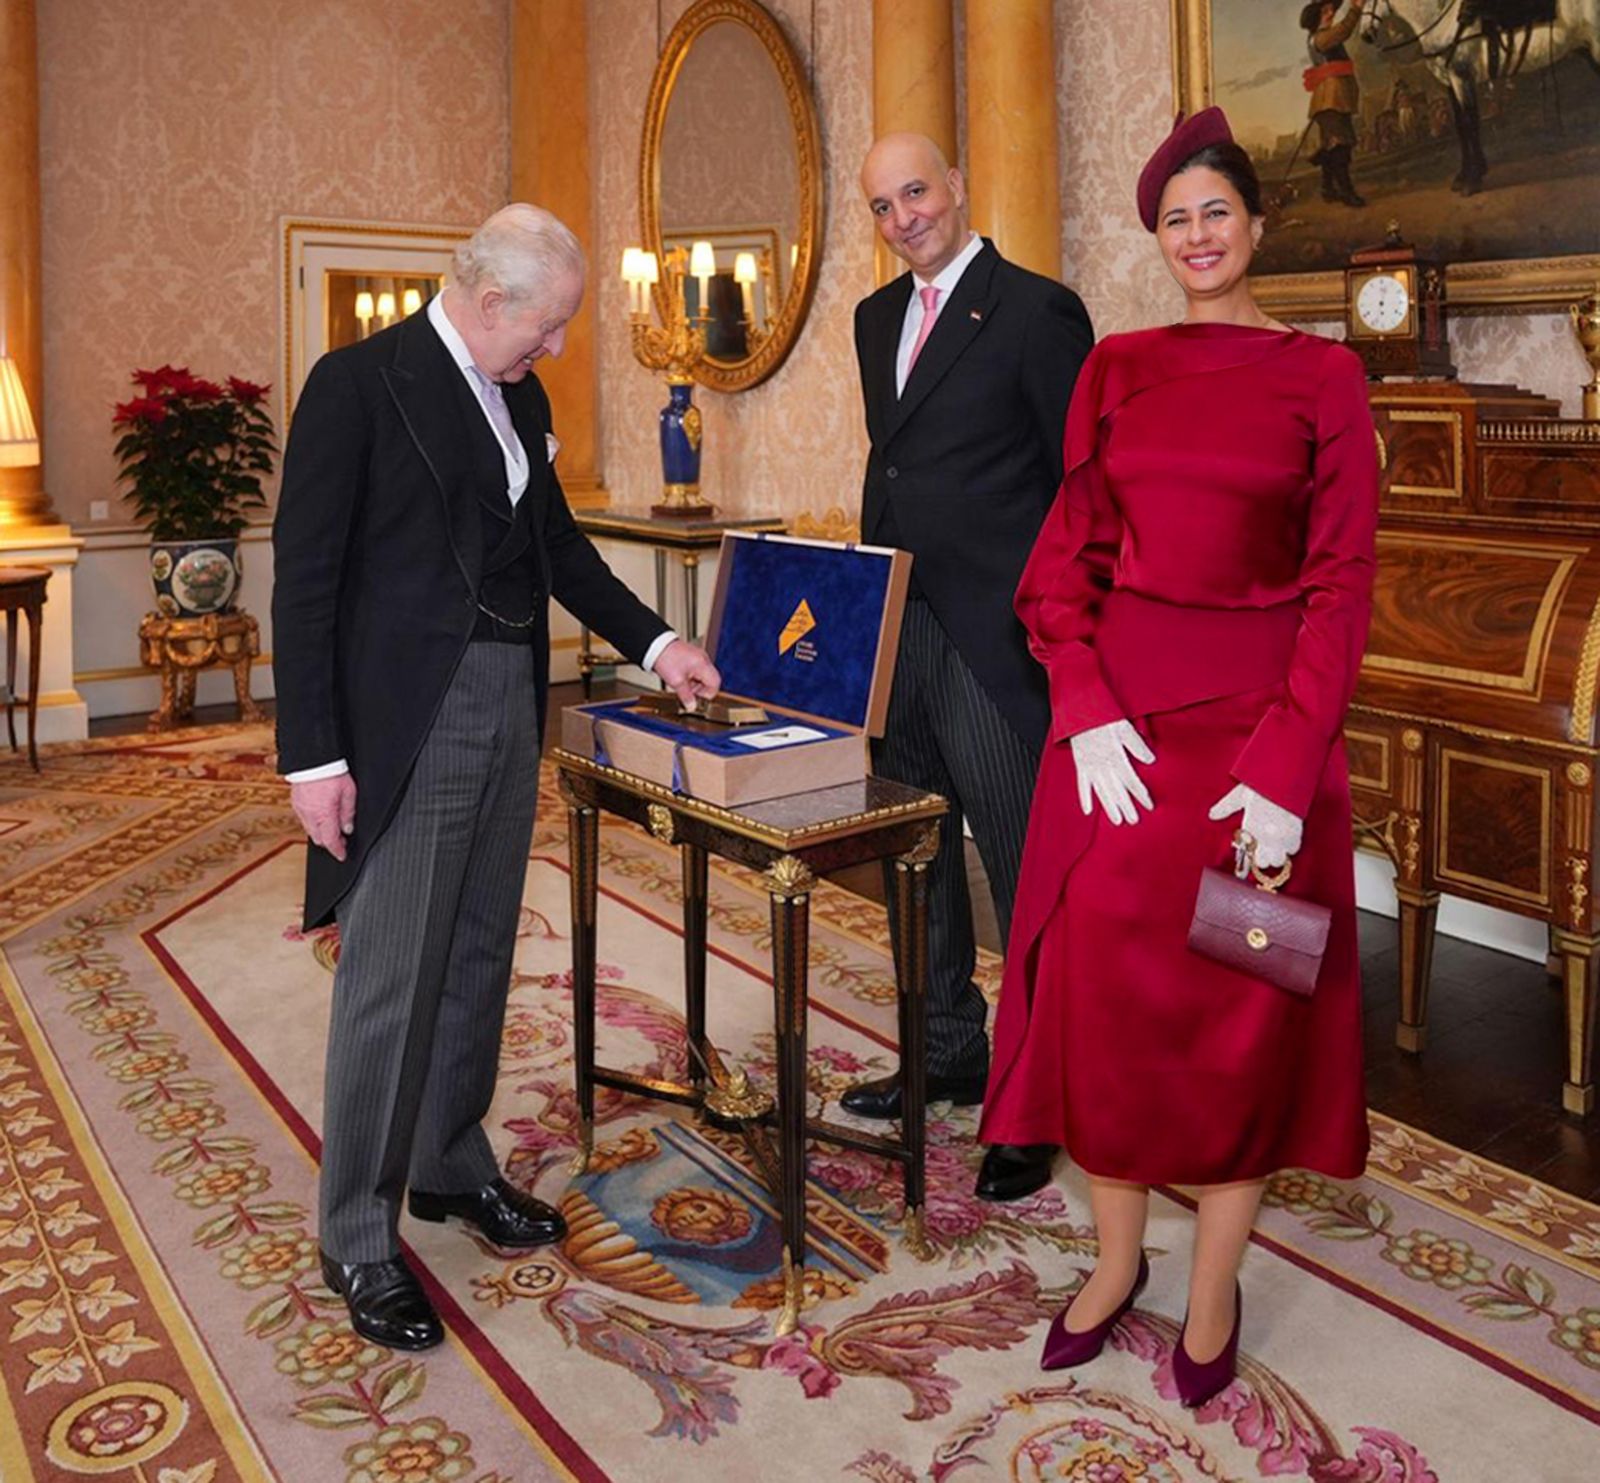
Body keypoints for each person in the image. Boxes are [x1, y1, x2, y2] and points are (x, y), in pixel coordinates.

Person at [978, 109, 1376, 1406]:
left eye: (1216, 211)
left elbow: (1341, 586)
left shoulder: (1325, 378)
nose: (1197, 235)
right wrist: (1085, 702)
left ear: (1256, 224)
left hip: (1265, 753)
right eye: (1174, 218)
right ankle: (1114, 1261)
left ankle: (1214, 1284)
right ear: (1157, 239)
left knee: (1242, 1014)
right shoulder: (1118, 367)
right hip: (1121, 751)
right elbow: (1066, 561)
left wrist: (1288, 763)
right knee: (1103, 1008)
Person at [273, 204, 720, 1351]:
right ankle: (356, 1233)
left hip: (510, 701)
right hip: (405, 721)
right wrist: (313, 757)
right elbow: (306, 578)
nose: (558, 346)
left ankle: (447, 1162)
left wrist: (659, 644)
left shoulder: (521, 396)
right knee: (391, 975)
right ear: (488, 300)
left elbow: (556, 548)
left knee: (477, 950)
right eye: (549, 324)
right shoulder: (357, 384)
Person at [847, 132, 1095, 1203]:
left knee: (1023, 870)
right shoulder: (873, 319)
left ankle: (1039, 1099)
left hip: (997, 641)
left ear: (957, 185)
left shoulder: (1038, 312)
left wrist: (1065, 637)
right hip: (898, 629)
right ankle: (946, 1048)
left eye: (916, 192)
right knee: (916, 856)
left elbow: (1082, 487)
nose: (903, 217)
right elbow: (897, 466)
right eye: (882, 205)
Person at [1303, 0, 1368, 206]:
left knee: (1331, 146)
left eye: (1332, 9)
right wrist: (1356, 9)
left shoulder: (1319, 36)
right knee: (1340, 147)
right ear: (1316, 17)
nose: (1331, 13)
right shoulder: (1321, 38)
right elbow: (1344, 30)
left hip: (1334, 99)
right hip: (1331, 100)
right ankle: (1347, 192)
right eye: (1325, 11)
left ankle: (1327, 188)